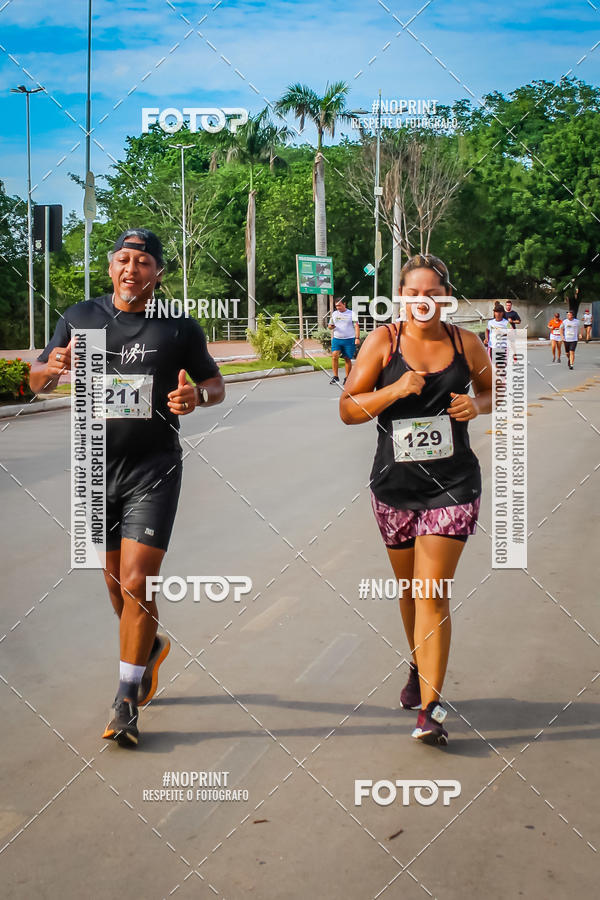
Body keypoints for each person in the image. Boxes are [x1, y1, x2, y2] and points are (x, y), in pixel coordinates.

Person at [30, 228, 225, 747]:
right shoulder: (82, 318)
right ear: (111, 267)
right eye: (123, 259)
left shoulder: (178, 327)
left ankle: (125, 698)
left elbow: (214, 384)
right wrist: (50, 367)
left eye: (142, 261)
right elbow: (36, 379)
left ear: (158, 272)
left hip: (153, 468)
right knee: (115, 585)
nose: (130, 268)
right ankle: (151, 647)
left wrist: (194, 399)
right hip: (93, 465)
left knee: (138, 581)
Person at [339, 254, 492, 746]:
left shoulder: (465, 342)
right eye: (413, 292)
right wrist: (396, 389)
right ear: (399, 296)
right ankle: (418, 662)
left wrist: (478, 403)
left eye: (432, 293)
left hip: (453, 484)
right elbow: (348, 409)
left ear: (445, 297)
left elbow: (494, 390)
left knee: (431, 591)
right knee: (409, 592)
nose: (422, 300)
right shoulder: (383, 342)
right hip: (394, 486)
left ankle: (430, 708)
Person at [328, 297, 360, 385]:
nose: (338, 307)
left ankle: (347, 377)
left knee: (347, 358)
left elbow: (356, 326)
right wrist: (331, 327)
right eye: (336, 306)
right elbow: (330, 325)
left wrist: (357, 338)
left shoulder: (351, 313)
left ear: (344, 304)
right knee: (334, 356)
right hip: (337, 339)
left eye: (339, 305)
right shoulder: (334, 314)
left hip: (349, 339)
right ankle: (335, 376)